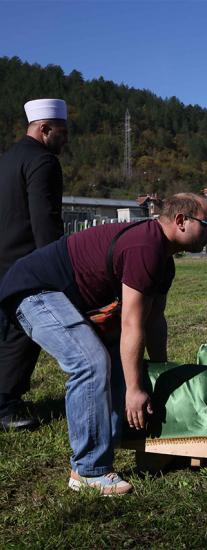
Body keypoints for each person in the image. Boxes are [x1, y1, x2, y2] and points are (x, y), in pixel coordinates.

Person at [0, 193, 207, 494]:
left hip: (60, 295)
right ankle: (88, 471)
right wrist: (135, 389)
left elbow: (154, 321)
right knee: (90, 362)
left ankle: (117, 437)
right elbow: (131, 323)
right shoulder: (146, 248)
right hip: (34, 290)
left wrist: (157, 374)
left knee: (117, 359)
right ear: (181, 221)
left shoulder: (164, 262)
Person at [0, 99, 68, 430]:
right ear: (44, 129)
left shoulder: (7, 158)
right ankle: (5, 406)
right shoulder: (43, 162)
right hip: (24, 263)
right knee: (21, 335)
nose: (65, 140)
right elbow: (45, 220)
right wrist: (57, 265)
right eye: (61, 132)